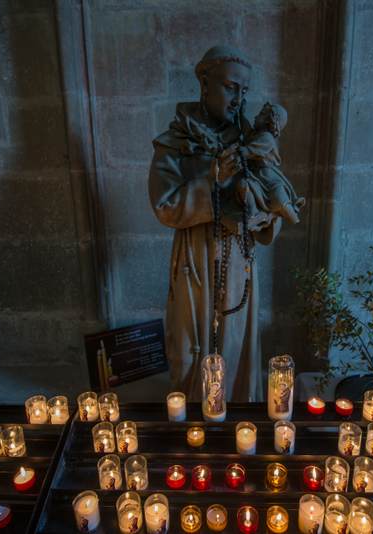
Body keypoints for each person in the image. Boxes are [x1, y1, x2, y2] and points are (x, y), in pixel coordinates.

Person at [148, 45, 283, 402]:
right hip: (195, 260)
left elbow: (274, 205)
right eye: (230, 87)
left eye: (245, 90)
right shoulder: (176, 142)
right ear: (204, 84)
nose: (238, 98)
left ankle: (236, 425)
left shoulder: (251, 142)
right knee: (191, 348)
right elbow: (165, 206)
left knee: (236, 347)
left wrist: (261, 215)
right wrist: (212, 177)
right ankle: (193, 425)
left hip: (239, 261)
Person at [237, 102, 305, 224]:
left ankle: (291, 214)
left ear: (270, 121)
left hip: (267, 176)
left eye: (261, 114)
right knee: (244, 186)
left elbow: (249, 150)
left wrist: (238, 150)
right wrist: (241, 114)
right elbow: (246, 131)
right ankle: (253, 214)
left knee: (279, 199)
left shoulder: (266, 138)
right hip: (256, 173)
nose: (256, 116)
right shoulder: (256, 134)